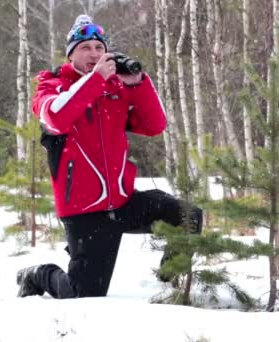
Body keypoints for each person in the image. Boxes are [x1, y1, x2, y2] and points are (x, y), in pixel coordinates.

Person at [16, 15, 202, 298]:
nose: (93, 53)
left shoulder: (115, 89)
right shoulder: (52, 85)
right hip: (86, 211)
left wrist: (137, 84)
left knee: (189, 215)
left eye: (98, 48)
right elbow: (56, 117)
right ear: (71, 54)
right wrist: (95, 80)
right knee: (82, 295)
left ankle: (166, 286)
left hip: (124, 201)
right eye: (85, 48)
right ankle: (37, 275)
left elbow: (155, 125)